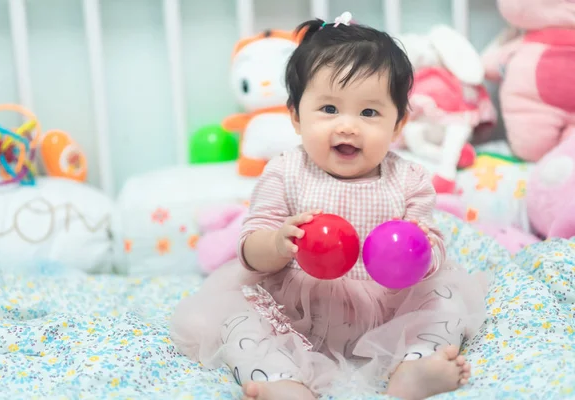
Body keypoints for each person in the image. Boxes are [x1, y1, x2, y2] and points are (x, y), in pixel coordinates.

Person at [170, 12, 487, 400]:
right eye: (329, 109)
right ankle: (280, 381)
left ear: (399, 124)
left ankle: (415, 367)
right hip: (297, 312)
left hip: (387, 307)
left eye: (369, 112)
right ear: (296, 117)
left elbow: (432, 245)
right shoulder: (286, 171)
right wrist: (277, 243)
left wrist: (419, 251)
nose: (348, 126)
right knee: (236, 317)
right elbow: (250, 244)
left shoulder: (409, 179)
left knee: (447, 299)